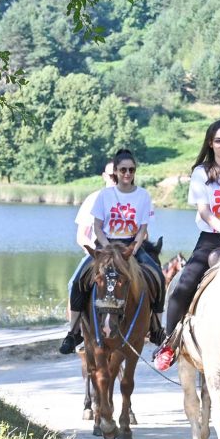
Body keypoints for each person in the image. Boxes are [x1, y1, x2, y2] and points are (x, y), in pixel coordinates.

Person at [153, 120, 220, 371]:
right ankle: (170, 344)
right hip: (212, 237)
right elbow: (204, 211)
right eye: (218, 141)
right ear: (210, 144)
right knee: (182, 286)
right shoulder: (201, 172)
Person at [59, 149, 157, 354]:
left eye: (131, 169)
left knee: (156, 274)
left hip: (130, 246)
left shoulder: (143, 195)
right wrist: (107, 248)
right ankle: (74, 331)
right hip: (106, 245)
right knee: (77, 280)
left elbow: (143, 229)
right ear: (116, 172)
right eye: (123, 170)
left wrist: (133, 249)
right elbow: (97, 226)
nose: (127, 173)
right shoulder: (103, 196)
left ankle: (156, 327)